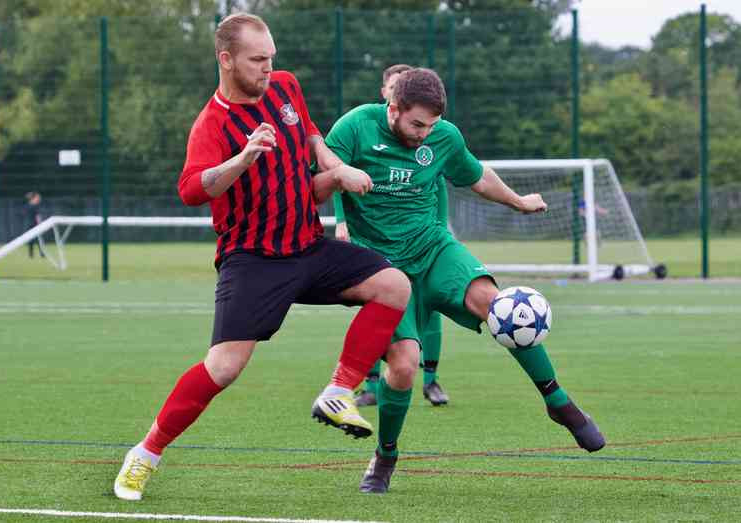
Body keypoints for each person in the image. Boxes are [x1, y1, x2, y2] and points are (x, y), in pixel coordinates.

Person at [113, 13, 411, 502]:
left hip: (308, 246)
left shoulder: (285, 88)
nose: (268, 68)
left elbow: (312, 137)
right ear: (226, 60)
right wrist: (244, 157)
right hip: (253, 259)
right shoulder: (212, 124)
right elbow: (191, 190)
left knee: (394, 285)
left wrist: (336, 170)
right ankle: (145, 454)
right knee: (224, 367)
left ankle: (339, 392)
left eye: (271, 57)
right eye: (257, 60)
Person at [325, 68, 606, 494]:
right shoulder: (354, 127)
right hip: (379, 266)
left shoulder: (443, 137)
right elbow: (319, 174)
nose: (424, 134)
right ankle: (386, 454)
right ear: (394, 108)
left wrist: (517, 201)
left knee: (500, 306)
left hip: (433, 247)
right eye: (417, 124)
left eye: (431, 126)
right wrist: (336, 184)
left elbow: (476, 176)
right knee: (401, 369)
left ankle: (557, 401)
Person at [335, 64, 451, 408]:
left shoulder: (426, 136)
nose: (393, 89)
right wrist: (342, 220)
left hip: (420, 237)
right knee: (379, 306)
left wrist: (440, 227)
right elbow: (339, 177)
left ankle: (431, 381)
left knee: (429, 307)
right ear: (387, 94)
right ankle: (370, 383)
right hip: (374, 238)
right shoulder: (363, 129)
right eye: (390, 85)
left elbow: (438, 183)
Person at [23, 191, 44, 258]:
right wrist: (40, 224)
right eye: (38, 198)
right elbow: (37, 216)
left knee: (31, 240)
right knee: (39, 239)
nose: (39, 199)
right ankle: (42, 253)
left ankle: (31, 254)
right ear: (34, 198)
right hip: (35, 224)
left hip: (29, 224)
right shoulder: (35, 206)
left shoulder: (27, 205)